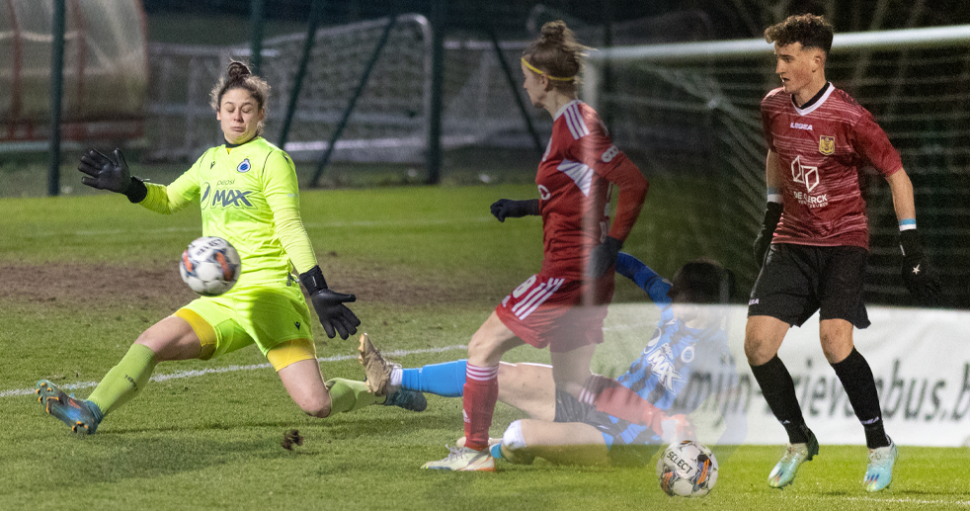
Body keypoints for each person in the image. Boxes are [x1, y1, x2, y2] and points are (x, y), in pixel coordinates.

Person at [33, 61, 420, 436]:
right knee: (151, 343)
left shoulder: (273, 161)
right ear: (218, 114)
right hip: (221, 297)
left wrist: (316, 287)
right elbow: (168, 199)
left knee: (316, 404)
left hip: (269, 295)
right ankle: (91, 410)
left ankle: (383, 390)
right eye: (230, 109)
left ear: (260, 115)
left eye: (246, 110)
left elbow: (288, 224)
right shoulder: (210, 162)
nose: (237, 117)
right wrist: (130, 187)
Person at [366, 20, 648, 471]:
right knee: (573, 384)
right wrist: (524, 207)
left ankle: (474, 451)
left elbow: (632, 182)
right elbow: (577, 198)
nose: (522, 84)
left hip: (567, 272)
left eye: (525, 76)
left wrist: (612, 243)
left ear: (542, 80)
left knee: (482, 347)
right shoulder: (568, 124)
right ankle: (644, 433)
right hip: (584, 275)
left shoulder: (578, 123)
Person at [746, 14, 940, 492]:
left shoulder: (849, 116)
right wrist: (771, 215)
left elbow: (896, 173)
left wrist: (910, 245)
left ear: (816, 61)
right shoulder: (773, 106)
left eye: (787, 58)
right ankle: (798, 440)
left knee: (835, 342)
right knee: (757, 346)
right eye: (778, 58)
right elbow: (775, 150)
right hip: (792, 241)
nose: (780, 68)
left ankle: (879, 445)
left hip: (842, 243)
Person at [358, 254, 742, 467]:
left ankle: (492, 450)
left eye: (684, 302)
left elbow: (738, 421)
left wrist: (709, 460)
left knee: (518, 436)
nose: (673, 306)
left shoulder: (717, 356)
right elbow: (633, 268)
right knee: (497, 370)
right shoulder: (670, 303)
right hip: (601, 397)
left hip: (622, 441)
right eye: (673, 298)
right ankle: (392, 378)